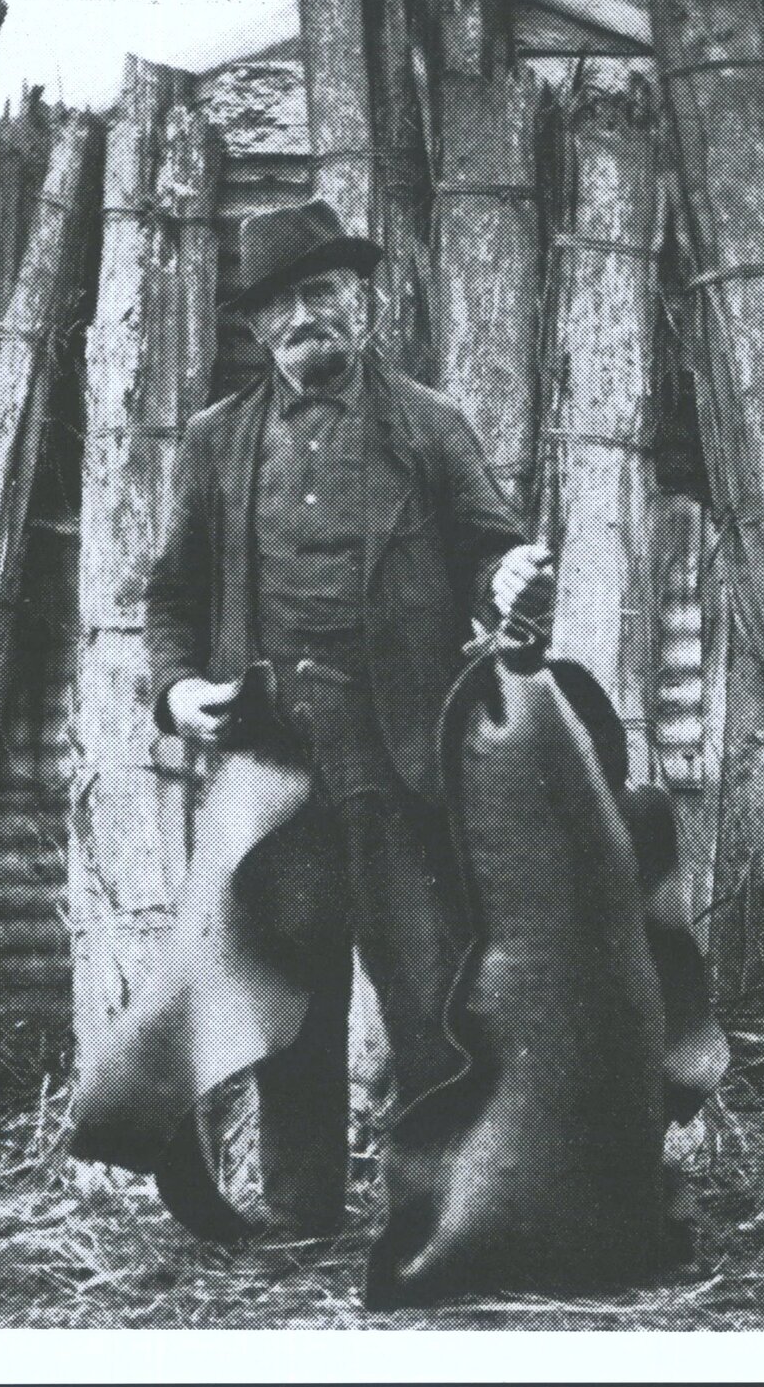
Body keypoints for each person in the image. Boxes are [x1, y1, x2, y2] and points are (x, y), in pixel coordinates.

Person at [138, 198, 553, 1236]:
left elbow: (490, 550)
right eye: (280, 303)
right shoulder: (214, 443)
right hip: (272, 769)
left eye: (320, 292)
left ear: (358, 301)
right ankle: (300, 1214)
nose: (303, 316)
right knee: (290, 1008)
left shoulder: (426, 422)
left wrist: (511, 583)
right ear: (255, 327)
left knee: (427, 999)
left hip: (400, 762)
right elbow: (169, 598)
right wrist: (179, 691)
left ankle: (442, 1217)